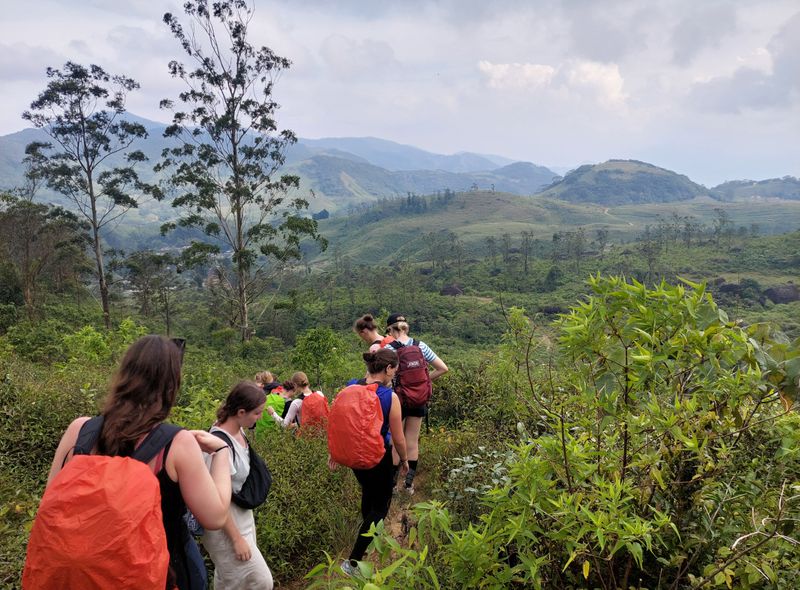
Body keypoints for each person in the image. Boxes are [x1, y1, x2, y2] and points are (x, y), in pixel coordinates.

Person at [45, 335, 232, 590]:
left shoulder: (79, 430)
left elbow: (50, 503)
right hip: (158, 573)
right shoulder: (176, 444)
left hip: (87, 575)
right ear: (171, 385)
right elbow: (215, 517)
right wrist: (221, 451)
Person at [329, 349, 409, 576]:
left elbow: (340, 423)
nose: (395, 374)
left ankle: (369, 536)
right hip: (377, 458)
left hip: (354, 458)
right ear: (388, 369)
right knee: (381, 506)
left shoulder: (350, 386)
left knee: (368, 494)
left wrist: (335, 451)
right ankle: (353, 563)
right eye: (395, 370)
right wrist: (404, 460)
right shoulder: (389, 396)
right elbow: (398, 438)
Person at [201, 381, 273, 589]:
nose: (260, 417)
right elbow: (214, 500)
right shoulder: (215, 444)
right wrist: (236, 539)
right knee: (260, 581)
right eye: (257, 413)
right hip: (225, 527)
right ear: (241, 412)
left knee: (229, 580)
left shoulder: (238, 431)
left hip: (242, 517)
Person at [385, 313, 448, 494]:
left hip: (397, 400)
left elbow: (382, 378)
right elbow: (443, 368)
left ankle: (393, 486)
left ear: (390, 329)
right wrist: (423, 381)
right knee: (412, 441)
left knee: (398, 442)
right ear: (407, 327)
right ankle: (409, 485)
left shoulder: (389, 349)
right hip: (419, 399)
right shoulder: (420, 345)